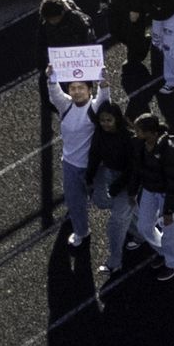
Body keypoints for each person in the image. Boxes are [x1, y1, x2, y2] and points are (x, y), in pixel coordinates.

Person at [46, 67, 109, 247]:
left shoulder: (95, 108)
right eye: (72, 88)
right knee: (74, 203)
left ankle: (134, 222)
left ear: (89, 90)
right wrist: (51, 78)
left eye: (81, 87)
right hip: (71, 166)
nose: (76, 91)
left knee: (105, 201)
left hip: (94, 168)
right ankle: (82, 232)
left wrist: (103, 84)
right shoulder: (65, 106)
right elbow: (55, 94)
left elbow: (104, 99)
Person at [127, 113, 174, 280]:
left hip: (167, 194)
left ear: (152, 133)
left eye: (139, 131)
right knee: (144, 226)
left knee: (169, 228)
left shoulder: (170, 151)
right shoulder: (141, 145)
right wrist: (132, 192)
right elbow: (137, 170)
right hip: (149, 190)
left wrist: (169, 210)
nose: (136, 134)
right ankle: (164, 252)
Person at [85, 99, 138, 276]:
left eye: (109, 120)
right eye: (102, 120)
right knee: (101, 202)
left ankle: (114, 262)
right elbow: (94, 155)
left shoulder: (129, 138)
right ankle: (142, 233)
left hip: (129, 182)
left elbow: (133, 168)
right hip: (110, 174)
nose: (105, 124)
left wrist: (120, 187)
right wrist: (89, 177)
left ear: (117, 119)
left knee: (115, 225)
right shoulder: (100, 134)